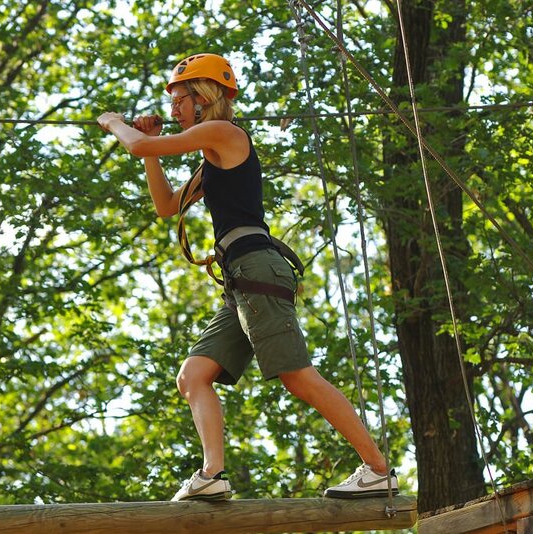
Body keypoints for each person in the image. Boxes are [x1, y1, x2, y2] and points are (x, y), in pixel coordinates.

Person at [97, 53, 397, 501]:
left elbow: (136, 146)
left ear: (203, 99)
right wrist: (150, 145)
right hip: (240, 280)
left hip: (256, 268)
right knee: (193, 376)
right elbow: (166, 206)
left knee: (297, 376)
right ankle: (211, 475)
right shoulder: (211, 159)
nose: (174, 109)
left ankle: (377, 470)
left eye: (179, 100)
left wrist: (115, 124)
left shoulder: (225, 133)